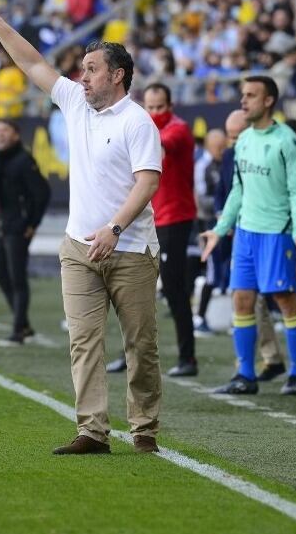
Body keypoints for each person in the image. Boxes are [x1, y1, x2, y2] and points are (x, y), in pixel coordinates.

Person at [0, 0, 163, 455]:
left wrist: (114, 229)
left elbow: (148, 182)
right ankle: (92, 431)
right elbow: (33, 62)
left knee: (140, 347)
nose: (82, 77)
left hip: (131, 248)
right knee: (83, 341)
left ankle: (144, 428)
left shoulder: (137, 122)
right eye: (81, 69)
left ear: (118, 76)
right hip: (79, 248)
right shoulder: (75, 103)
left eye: (92, 69)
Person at [199, 77, 296, 397]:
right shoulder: (244, 141)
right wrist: (221, 230)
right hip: (246, 235)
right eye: (242, 95)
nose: (243, 101)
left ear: (268, 101)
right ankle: (245, 375)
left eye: (251, 96)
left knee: (285, 300)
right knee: (241, 300)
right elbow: (238, 190)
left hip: (276, 233)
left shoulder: (287, 141)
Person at [106, 82, 197, 377]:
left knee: (174, 288)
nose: (155, 112)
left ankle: (188, 357)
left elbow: (158, 145)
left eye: (159, 107)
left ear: (169, 106)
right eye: (150, 107)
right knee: (130, 287)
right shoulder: (144, 126)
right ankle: (129, 353)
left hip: (175, 218)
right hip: (148, 217)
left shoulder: (177, 130)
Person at [216, 108, 287, 381]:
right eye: (229, 136)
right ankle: (268, 358)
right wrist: (224, 224)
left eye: (237, 135)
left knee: (255, 299)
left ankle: (250, 364)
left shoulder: (269, 150)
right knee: (248, 299)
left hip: (265, 231)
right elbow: (225, 193)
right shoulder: (228, 155)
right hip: (239, 234)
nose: (233, 141)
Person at [0, 119, 51, 345]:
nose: (0, 135)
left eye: (5, 130)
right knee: (0, 275)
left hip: (17, 229)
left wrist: (32, 224)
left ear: (16, 134)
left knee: (17, 279)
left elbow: (42, 193)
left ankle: (18, 332)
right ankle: (23, 324)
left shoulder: (24, 161)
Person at [194, 127, 227, 333]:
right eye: (218, 147)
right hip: (209, 225)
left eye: (224, 146)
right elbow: (201, 199)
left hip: (226, 224)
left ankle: (237, 317)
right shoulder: (203, 165)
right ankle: (200, 318)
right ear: (208, 146)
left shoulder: (224, 163)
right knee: (213, 273)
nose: (222, 150)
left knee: (229, 268)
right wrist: (221, 209)